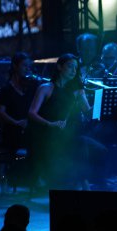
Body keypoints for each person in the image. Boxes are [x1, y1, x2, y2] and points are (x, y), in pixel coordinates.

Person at [27, 53, 92, 190]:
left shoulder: (76, 91)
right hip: (48, 134)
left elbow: (87, 111)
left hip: (68, 134)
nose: (74, 71)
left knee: (89, 146)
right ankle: (82, 185)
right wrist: (50, 124)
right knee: (79, 145)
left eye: (76, 68)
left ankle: (80, 183)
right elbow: (32, 113)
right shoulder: (46, 88)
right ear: (59, 67)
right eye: (70, 67)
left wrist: (88, 96)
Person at [0, 52, 40, 193]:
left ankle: (34, 179)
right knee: (25, 143)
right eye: (25, 66)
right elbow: (0, 111)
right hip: (12, 129)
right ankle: (9, 177)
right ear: (15, 66)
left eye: (29, 66)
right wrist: (16, 122)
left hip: (27, 127)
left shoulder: (30, 87)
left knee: (40, 141)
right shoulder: (7, 89)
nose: (28, 69)